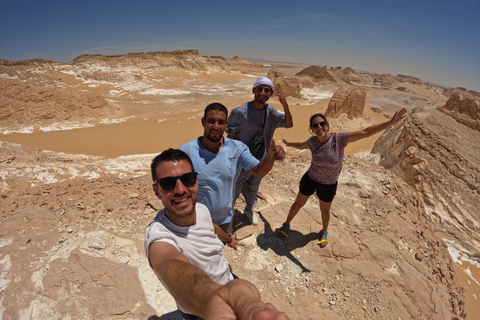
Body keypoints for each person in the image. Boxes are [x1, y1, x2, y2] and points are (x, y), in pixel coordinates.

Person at [145, 149, 290, 320]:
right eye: (168, 183)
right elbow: (171, 265)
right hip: (199, 309)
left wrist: (229, 241)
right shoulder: (158, 236)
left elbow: (212, 228)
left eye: (187, 179)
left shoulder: (201, 209)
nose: (180, 189)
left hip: (228, 278)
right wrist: (214, 298)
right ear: (156, 191)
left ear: (196, 181)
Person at [278, 108, 407, 247]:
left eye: (322, 124)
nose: (319, 127)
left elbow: (366, 132)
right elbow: (302, 145)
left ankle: (324, 231)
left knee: (325, 210)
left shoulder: (338, 139)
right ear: (312, 129)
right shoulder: (312, 141)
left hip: (328, 184)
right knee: (298, 203)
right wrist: (289, 144)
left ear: (327, 125)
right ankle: (286, 224)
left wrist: (390, 122)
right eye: (315, 125)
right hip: (310, 179)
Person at [179, 102, 284, 249]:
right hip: (196, 221)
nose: (216, 127)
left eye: (221, 122)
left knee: (218, 250)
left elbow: (259, 170)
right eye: (211, 121)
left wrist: (271, 157)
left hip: (225, 219)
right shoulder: (185, 152)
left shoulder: (237, 148)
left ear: (226, 124)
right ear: (203, 122)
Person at [226, 77, 293, 225]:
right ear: (253, 90)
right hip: (241, 162)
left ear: (270, 93)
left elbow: (289, 124)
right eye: (260, 89)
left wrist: (285, 104)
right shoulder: (239, 112)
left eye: (266, 90)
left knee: (253, 188)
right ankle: (227, 219)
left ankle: (249, 209)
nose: (262, 93)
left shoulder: (271, 112)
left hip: (261, 161)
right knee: (233, 191)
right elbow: (229, 139)